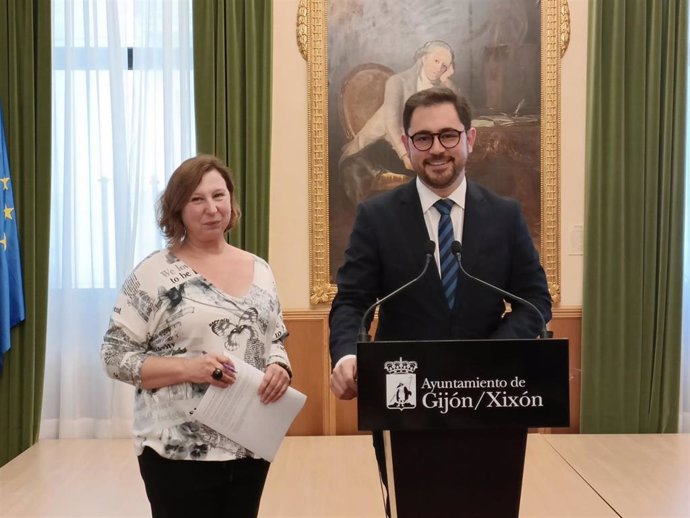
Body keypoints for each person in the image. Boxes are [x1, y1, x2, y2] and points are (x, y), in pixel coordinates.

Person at [328, 87, 551, 513]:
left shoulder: (504, 215)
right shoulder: (377, 217)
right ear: (407, 145)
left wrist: (490, 357)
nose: (437, 149)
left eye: (449, 135)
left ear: (471, 140)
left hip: (492, 398)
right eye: (423, 138)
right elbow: (353, 300)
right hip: (406, 402)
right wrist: (345, 356)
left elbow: (534, 301)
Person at [101, 155, 292, 518]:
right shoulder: (153, 274)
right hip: (176, 451)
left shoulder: (260, 269)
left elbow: (275, 340)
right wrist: (190, 369)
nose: (211, 209)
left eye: (218, 196)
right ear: (177, 210)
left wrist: (279, 366)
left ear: (231, 202)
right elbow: (113, 357)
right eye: (197, 199)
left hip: (249, 444)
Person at [339, 40, 457, 204]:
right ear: (423, 58)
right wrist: (404, 155)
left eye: (445, 65)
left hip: (412, 145)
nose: (439, 68)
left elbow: (456, 111)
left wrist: (446, 81)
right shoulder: (398, 82)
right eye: (436, 61)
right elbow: (391, 125)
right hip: (379, 146)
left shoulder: (442, 86)